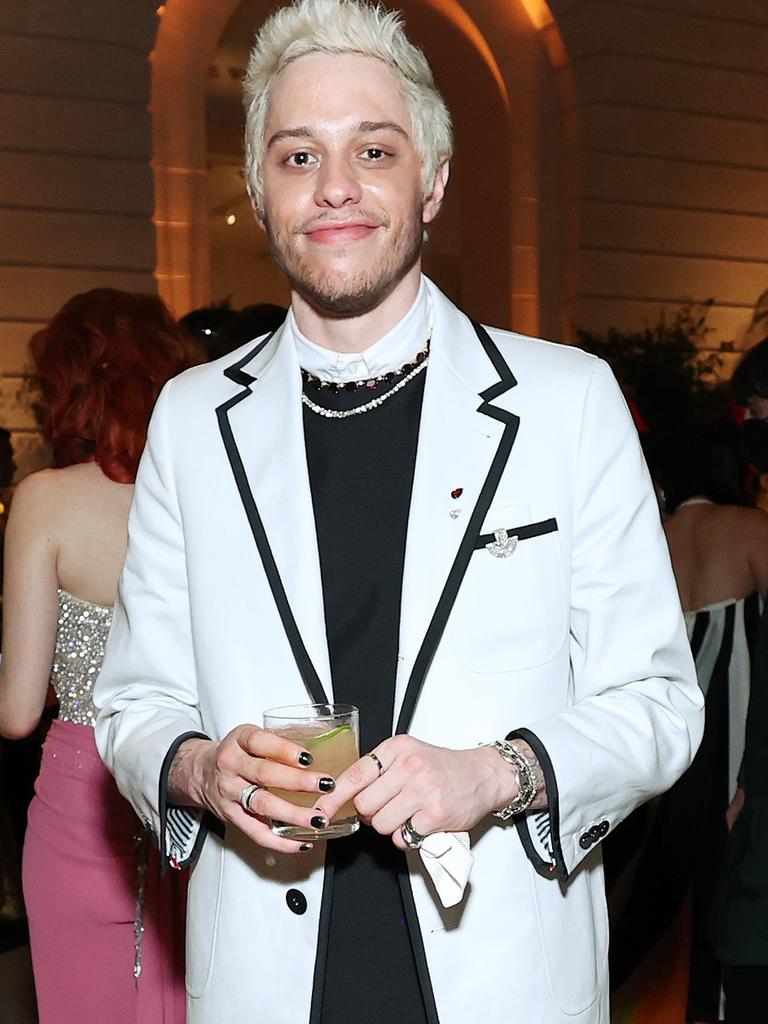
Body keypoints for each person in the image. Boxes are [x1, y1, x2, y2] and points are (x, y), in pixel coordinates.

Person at [94, 3, 704, 1022]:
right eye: (297, 156)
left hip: (504, 972)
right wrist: (201, 768)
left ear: (433, 178)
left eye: (373, 149)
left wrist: (497, 773)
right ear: (258, 189)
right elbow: (131, 700)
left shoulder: (566, 401)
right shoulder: (193, 418)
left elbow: (658, 700)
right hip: (262, 978)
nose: (334, 186)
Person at [0, 289, 199, 1023]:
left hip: (82, 806)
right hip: (192, 790)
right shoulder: (203, 495)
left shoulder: (46, 499)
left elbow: (17, 711)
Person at [608, 422, 768, 1022]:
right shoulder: (749, 527)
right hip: (739, 731)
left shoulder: (650, 542)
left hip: (667, 736)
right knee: (729, 892)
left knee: (664, 893)